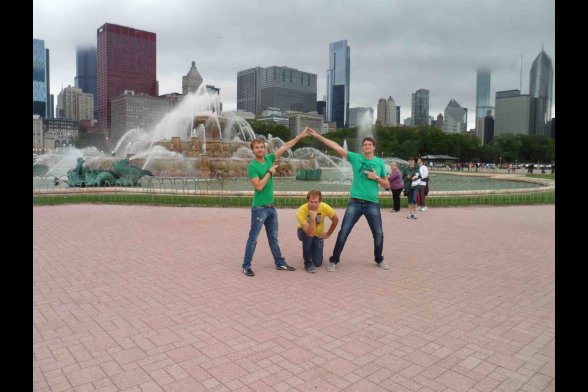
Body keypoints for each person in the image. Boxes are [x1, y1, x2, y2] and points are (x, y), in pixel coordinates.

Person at [305, 127, 390, 272]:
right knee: (344, 231)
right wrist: (317, 136)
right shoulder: (356, 158)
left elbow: (387, 185)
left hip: (372, 203)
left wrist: (375, 177)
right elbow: (335, 146)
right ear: (363, 148)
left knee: (379, 233)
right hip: (355, 202)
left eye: (370, 144)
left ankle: (379, 258)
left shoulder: (380, 163)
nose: (367, 146)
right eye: (365, 145)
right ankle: (334, 260)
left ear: (374, 147)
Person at [241, 130, 308, 277]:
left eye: (261, 147)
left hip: (271, 208)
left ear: (265, 148)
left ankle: (280, 263)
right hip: (259, 208)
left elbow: (285, 147)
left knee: (274, 238)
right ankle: (246, 265)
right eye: (257, 147)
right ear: (253, 150)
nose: (260, 149)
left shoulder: (270, 158)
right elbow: (258, 186)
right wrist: (270, 172)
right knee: (253, 238)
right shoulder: (252, 166)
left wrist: (299, 136)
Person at [296, 190, 339, 273]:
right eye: (311, 202)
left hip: (318, 234)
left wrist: (328, 233)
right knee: (308, 237)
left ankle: (312, 247)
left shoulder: (324, 207)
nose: (313, 205)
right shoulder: (301, 211)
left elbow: (336, 220)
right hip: (304, 232)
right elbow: (309, 233)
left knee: (318, 263)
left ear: (320, 202)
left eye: (316, 202)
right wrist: (312, 218)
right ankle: (308, 264)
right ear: (307, 201)